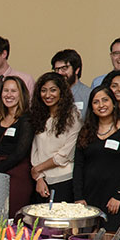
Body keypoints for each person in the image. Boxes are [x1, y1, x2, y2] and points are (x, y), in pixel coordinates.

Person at [73, 86, 120, 232]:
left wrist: (118, 195)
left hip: (114, 199)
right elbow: (78, 165)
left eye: (105, 100)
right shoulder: (86, 131)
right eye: (96, 102)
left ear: (113, 103)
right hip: (89, 199)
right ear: (91, 106)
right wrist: (78, 197)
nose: (101, 105)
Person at [0, 75, 34, 216]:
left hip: (17, 173)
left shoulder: (26, 119)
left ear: (21, 94)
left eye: (13, 91)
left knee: (13, 215)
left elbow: (20, 153)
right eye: (5, 90)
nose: (8, 95)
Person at [30, 72, 81, 201]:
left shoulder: (73, 117)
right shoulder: (39, 116)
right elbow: (35, 151)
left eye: (53, 90)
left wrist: (37, 169)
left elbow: (65, 155)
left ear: (61, 92)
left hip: (64, 180)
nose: (48, 95)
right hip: (40, 181)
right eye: (43, 90)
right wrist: (39, 177)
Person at [51, 49, 91, 113]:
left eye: (64, 68)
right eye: (56, 69)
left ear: (77, 70)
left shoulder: (88, 94)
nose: (59, 73)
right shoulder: (51, 95)